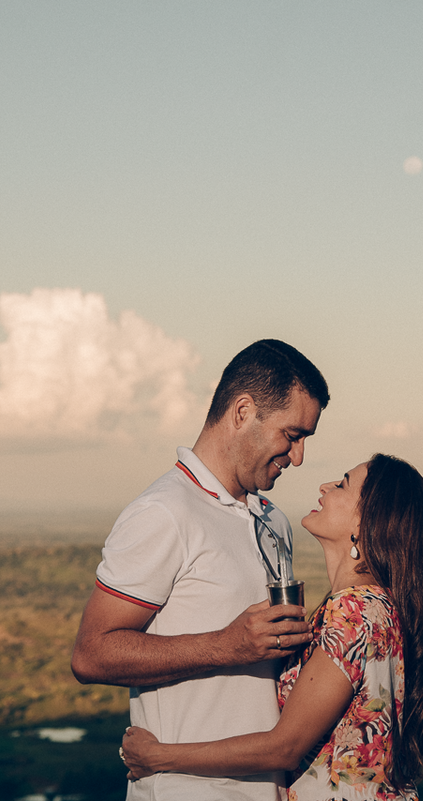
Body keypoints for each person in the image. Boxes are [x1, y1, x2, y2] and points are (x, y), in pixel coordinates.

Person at [71, 339, 331, 801]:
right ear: (243, 412)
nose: (298, 456)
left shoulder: (274, 521)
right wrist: (225, 646)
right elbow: (91, 655)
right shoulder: (163, 512)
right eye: (292, 435)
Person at [121, 454, 423, 801]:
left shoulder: (353, 611)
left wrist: (159, 756)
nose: (325, 486)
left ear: (365, 523)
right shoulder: (379, 606)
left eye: (342, 484)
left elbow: (283, 748)